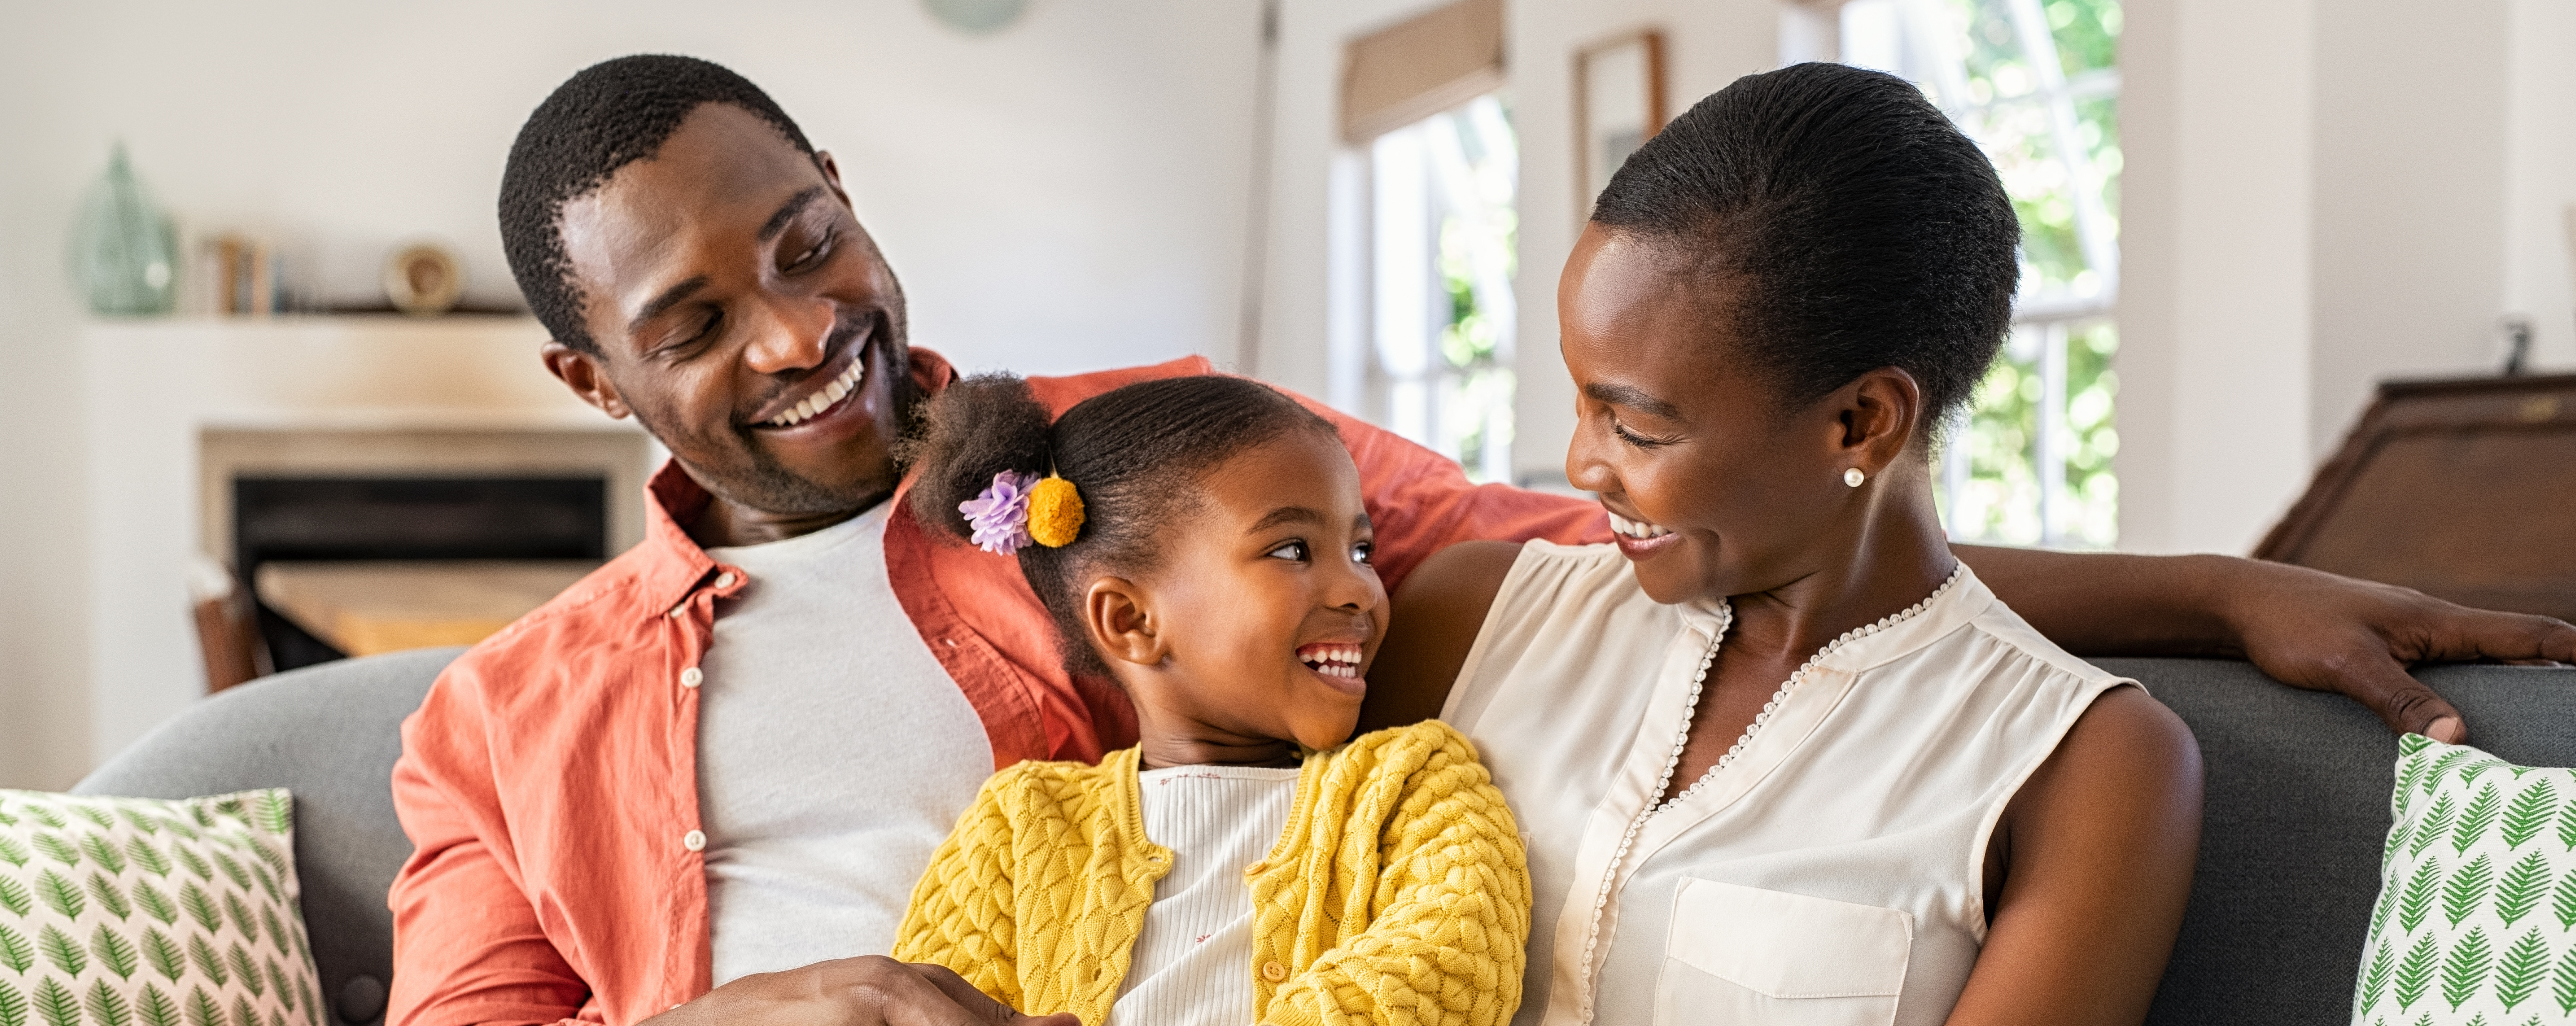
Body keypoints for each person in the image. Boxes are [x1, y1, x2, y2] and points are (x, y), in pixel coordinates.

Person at [386, 54, 2575, 1026]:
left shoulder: (1087, 479)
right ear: (596, 385)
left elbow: (1660, 552)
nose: (805, 331)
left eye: (811, 239)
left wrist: (2209, 585)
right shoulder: (498, 724)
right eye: (697, 320)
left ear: (848, 195)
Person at [1370, 64, 2197, 1025]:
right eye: (1581, 399)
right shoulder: (1467, 620)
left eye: (1638, 428)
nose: (1583, 464)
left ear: (1861, 422)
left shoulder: (2086, 766)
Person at [888, 374, 1528, 1026]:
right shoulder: (1017, 825)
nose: (1361, 588)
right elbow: (932, 1007)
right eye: (1293, 550)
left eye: (1362, 550)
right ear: (1131, 621)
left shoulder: (1412, 784)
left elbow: (1451, 967)